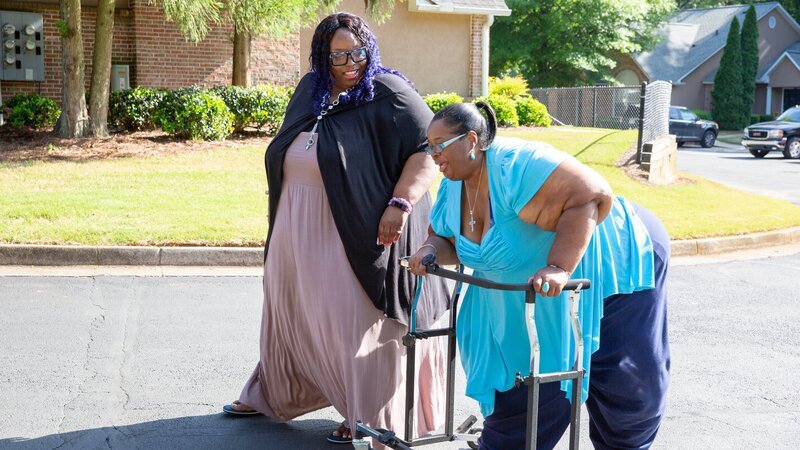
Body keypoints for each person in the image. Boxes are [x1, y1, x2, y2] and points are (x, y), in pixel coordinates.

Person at [222, 12, 450, 447]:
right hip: (295, 223)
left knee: (351, 317)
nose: (350, 63)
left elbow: (428, 148)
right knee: (291, 310)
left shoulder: (388, 91)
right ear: (321, 56)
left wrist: (401, 202)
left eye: (357, 52)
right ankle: (274, 391)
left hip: (355, 228)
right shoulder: (311, 89)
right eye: (338, 55)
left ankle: (365, 410)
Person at [407, 102, 670, 450]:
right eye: (429, 146)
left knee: (621, 384)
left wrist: (560, 267)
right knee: (523, 398)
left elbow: (589, 194)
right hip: (522, 304)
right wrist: (428, 250)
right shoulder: (454, 183)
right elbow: (448, 239)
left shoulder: (515, 164)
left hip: (616, 262)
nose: (433, 155)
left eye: (439, 145)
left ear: (471, 141)